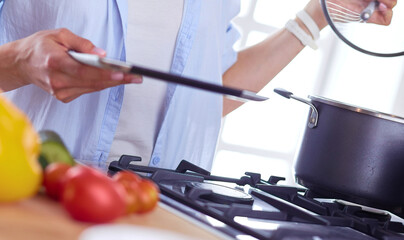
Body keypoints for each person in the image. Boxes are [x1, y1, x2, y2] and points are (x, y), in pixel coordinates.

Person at [0, 0, 396, 171]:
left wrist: (317, 14)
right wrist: (18, 60)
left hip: (156, 210)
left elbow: (204, 95)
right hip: (29, 191)